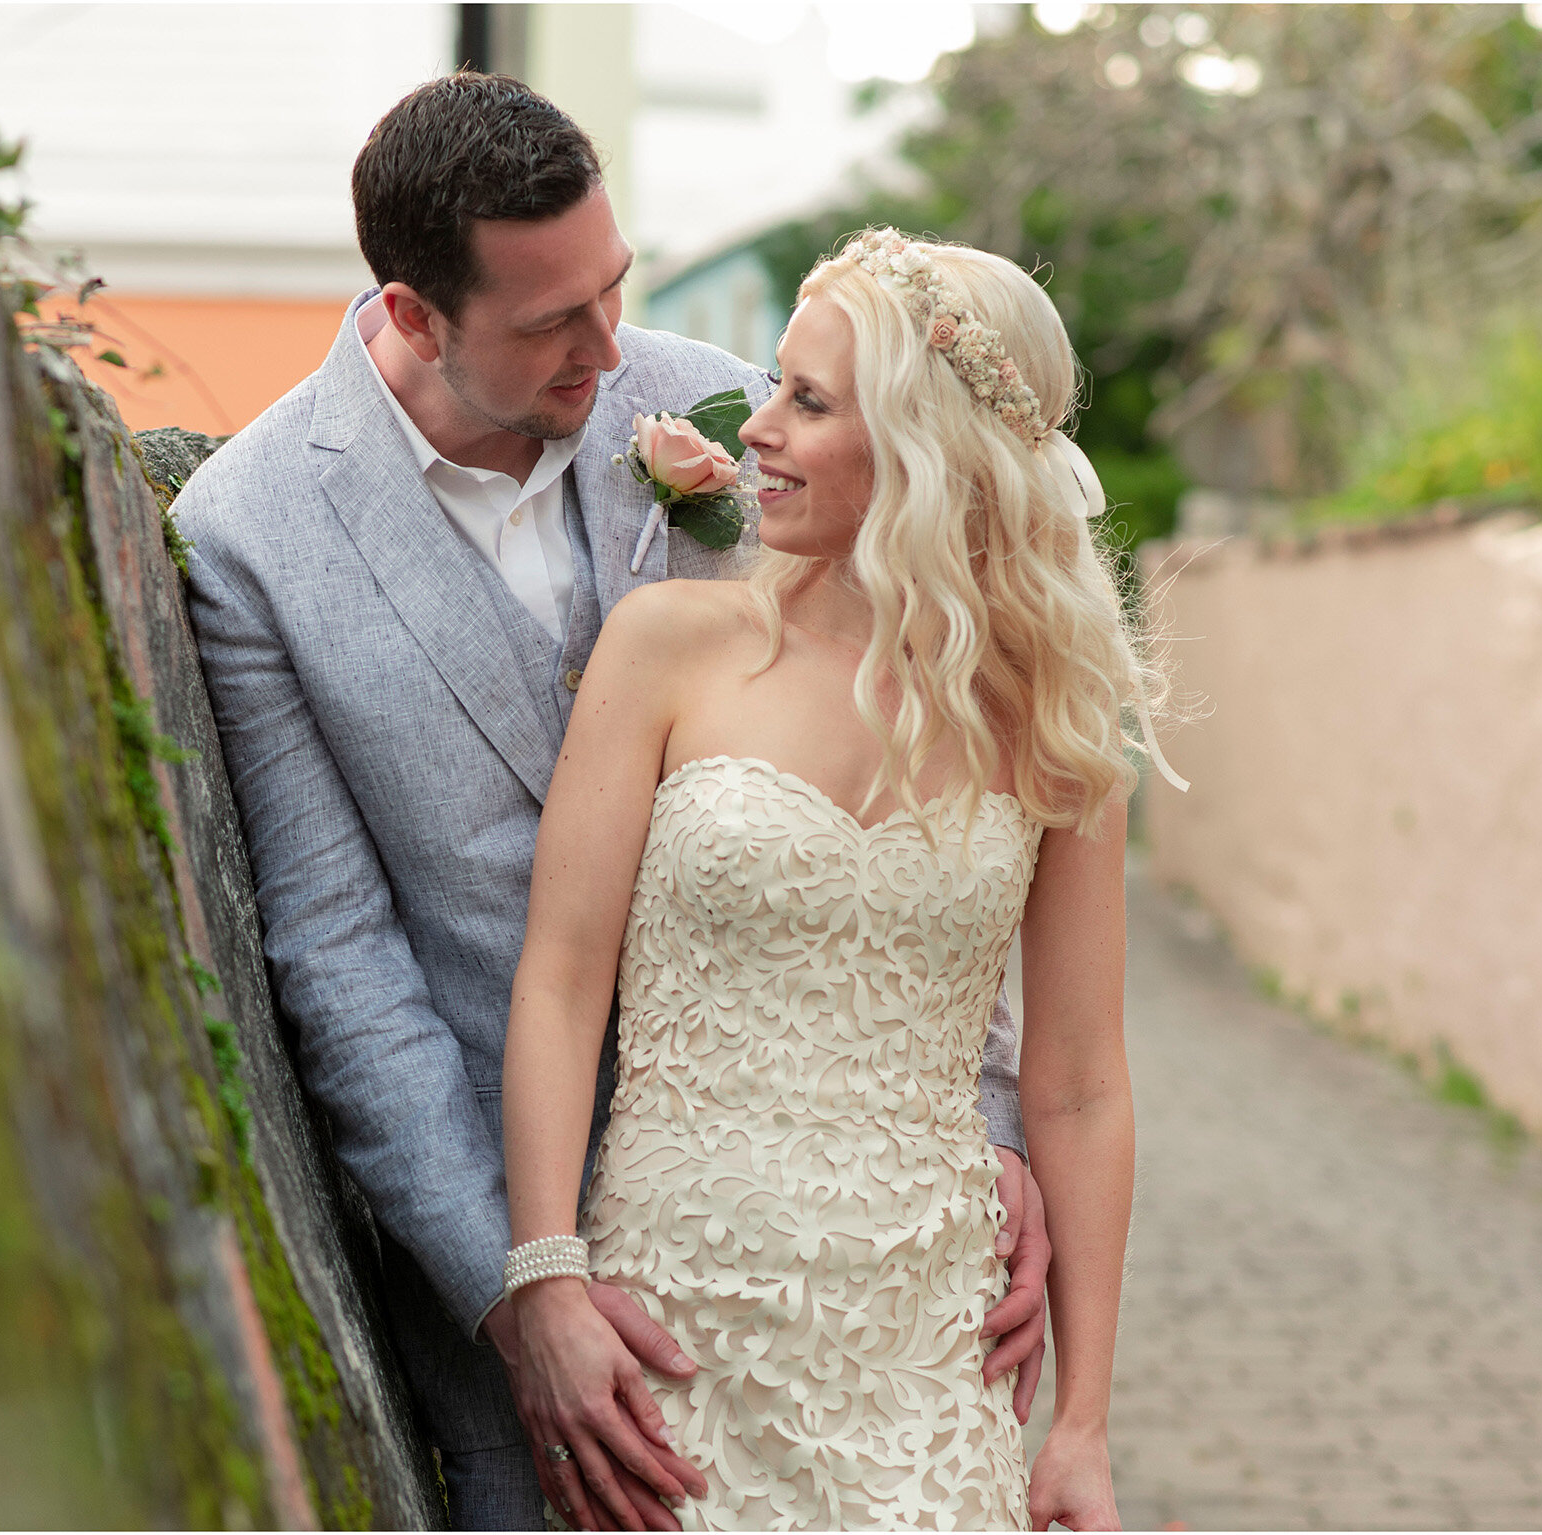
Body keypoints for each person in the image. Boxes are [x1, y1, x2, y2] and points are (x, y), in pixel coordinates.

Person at [172, 75, 1051, 1532]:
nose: (608, 345)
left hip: (850, 1246)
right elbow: (336, 952)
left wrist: (985, 1120)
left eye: (614, 288)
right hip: (532, 1245)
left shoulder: (708, 405)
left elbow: (918, 781)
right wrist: (528, 1291)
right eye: (549, 324)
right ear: (413, 314)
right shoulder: (249, 537)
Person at [500, 229, 1175, 1530]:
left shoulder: (1057, 719)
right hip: (674, 1336)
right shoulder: (669, 647)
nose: (755, 428)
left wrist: (1083, 1425)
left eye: (808, 402)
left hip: (931, 1344)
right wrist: (548, 1277)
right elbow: (562, 978)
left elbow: (1082, 1085)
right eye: (773, 385)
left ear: (927, 452)